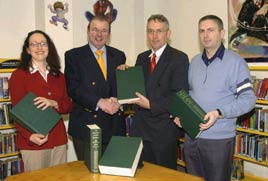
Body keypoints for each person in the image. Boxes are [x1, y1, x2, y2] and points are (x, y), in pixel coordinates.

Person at [174, 15, 256, 181]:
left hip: (218, 140)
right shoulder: (194, 62)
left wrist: (219, 112)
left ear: (222, 33)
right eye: (201, 31)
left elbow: (248, 99)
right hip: (192, 138)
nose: (205, 35)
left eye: (210, 30)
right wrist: (181, 114)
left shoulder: (236, 62)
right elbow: (189, 95)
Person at [129, 14, 189, 170]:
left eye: (159, 31)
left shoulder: (179, 58)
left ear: (168, 34)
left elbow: (179, 95)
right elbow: (136, 89)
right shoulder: (141, 58)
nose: (154, 36)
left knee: (163, 175)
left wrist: (151, 105)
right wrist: (125, 76)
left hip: (163, 131)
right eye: (150, 31)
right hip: (140, 129)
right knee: (141, 174)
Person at [64, 16, 126, 160]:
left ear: (109, 33)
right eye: (95, 30)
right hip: (86, 126)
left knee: (114, 173)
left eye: (104, 30)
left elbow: (122, 89)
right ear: (88, 31)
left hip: (114, 126)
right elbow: (73, 89)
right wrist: (100, 102)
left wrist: (121, 99)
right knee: (89, 175)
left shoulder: (118, 55)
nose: (99, 34)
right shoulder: (74, 56)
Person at [9, 30, 72, 172]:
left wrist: (54, 103)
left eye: (43, 44)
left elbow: (68, 106)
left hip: (58, 141)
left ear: (49, 48)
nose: (39, 47)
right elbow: (17, 114)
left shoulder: (59, 76)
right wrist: (29, 136)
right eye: (34, 44)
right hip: (33, 143)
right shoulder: (19, 76)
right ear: (28, 50)